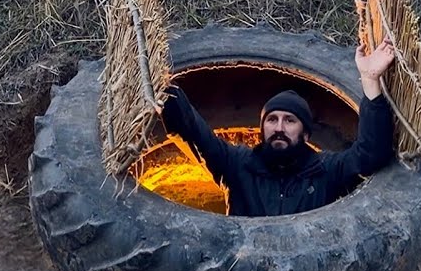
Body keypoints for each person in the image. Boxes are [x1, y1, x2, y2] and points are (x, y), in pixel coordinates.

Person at [158, 39, 397, 217]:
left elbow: (369, 155)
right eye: (272, 120)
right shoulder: (238, 165)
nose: (279, 127)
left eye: (289, 120)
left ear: (305, 134)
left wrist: (369, 81)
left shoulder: (325, 170)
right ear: (262, 129)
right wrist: (161, 82)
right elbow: (194, 131)